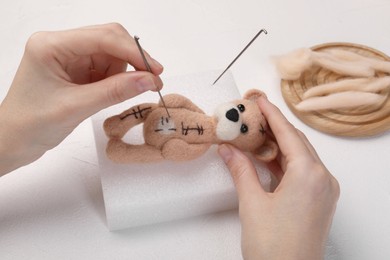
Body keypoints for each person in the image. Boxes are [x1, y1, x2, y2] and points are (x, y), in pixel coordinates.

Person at [0, 23, 340, 259]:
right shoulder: (206, 116)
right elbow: (181, 102)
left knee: (154, 152)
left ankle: (122, 148)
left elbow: (178, 153)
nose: (236, 117)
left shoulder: (212, 148)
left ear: (261, 149)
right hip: (160, 114)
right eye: (240, 108)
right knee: (149, 108)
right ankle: (120, 122)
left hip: (161, 143)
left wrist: (175, 150)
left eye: (246, 128)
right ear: (246, 98)